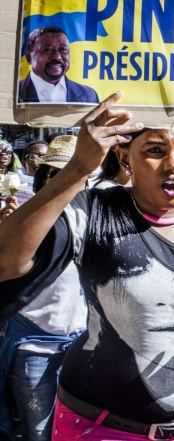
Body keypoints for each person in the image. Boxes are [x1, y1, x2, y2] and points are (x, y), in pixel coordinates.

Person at [0, 92, 174, 441]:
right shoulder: (95, 211)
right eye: (155, 151)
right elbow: (6, 263)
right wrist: (79, 167)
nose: (173, 164)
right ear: (124, 156)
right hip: (100, 429)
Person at [0, 135, 87, 441]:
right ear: (42, 178)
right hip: (34, 349)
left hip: (81, 348)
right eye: (56, 174)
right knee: (39, 433)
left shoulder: (94, 218)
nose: (66, 182)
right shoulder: (26, 218)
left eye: (77, 174)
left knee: (73, 432)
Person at [18, 26, 99, 104]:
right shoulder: (15, 92)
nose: (57, 57)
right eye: (47, 50)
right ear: (29, 58)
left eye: (63, 49)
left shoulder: (90, 95)